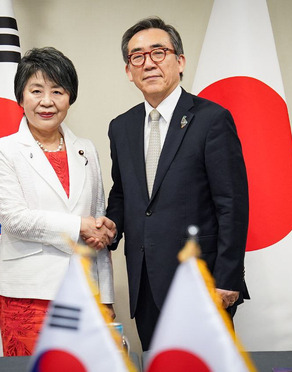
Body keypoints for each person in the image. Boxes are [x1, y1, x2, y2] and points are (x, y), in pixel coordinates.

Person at [105, 17, 249, 351]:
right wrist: (109, 227)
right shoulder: (121, 127)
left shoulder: (212, 119)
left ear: (179, 62)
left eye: (159, 52)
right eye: (137, 56)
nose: (149, 63)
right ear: (129, 70)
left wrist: (227, 278)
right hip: (145, 283)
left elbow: (232, 204)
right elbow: (123, 191)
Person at [0, 47, 116, 356]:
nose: (47, 101)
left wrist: (106, 298)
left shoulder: (86, 150)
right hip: (29, 297)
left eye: (57, 91)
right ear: (21, 97)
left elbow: (97, 221)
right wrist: (79, 226)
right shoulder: (3, 150)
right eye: (36, 91)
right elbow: (14, 219)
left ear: (70, 98)